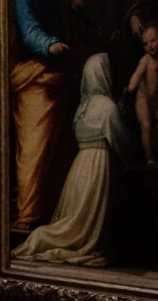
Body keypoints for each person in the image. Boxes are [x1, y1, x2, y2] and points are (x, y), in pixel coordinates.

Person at [22, 54, 137, 265]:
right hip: (99, 166)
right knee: (87, 222)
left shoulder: (81, 109)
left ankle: (45, 237)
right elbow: (123, 143)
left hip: (80, 167)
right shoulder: (106, 107)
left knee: (77, 215)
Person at [10, 0, 78, 229]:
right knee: (33, 150)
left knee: (54, 151)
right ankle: (28, 216)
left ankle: (47, 214)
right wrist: (48, 44)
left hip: (52, 78)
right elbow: (29, 32)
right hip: (33, 79)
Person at [128, 20, 158, 162]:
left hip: (157, 101)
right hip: (143, 100)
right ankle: (149, 158)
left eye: (153, 40)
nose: (150, 46)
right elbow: (137, 74)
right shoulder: (145, 60)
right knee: (145, 125)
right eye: (146, 44)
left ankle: (151, 138)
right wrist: (131, 88)